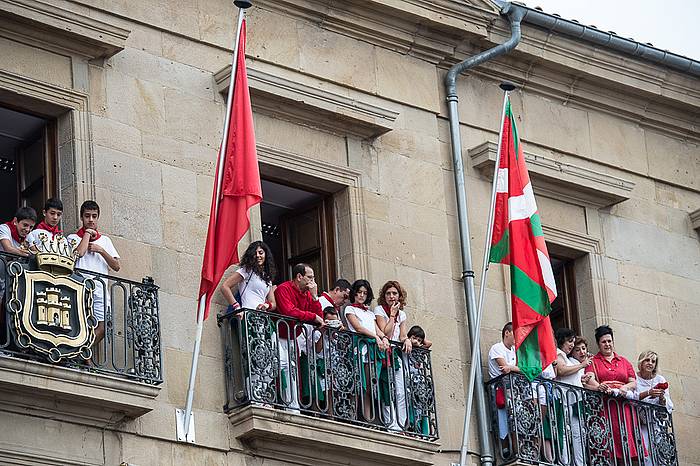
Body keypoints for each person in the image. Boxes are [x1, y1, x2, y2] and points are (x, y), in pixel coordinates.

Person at [68, 201, 120, 347]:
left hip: (99, 289)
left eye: (94, 216)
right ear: (81, 217)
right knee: (79, 324)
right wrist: (87, 234)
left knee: (103, 327)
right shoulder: (72, 238)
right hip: (79, 287)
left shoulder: (105, 240)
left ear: (98, 217)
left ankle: (83, 351)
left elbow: (116, 266)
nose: (91, 219)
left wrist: (101, 250)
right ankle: (84, 357)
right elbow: (79, 253)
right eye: (87, 216)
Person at [585, 325, 639, 461]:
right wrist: (600, 386)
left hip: (624, 406)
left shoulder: (624, 361)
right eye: (604, 342)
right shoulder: (594, 361)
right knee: (610, 440)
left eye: (609, 341)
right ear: (598, 344)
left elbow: (633, 382)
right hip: (606, 406)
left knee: (626, 437)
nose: (607, 344)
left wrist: (625, 388)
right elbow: (589, 378)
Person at [274, 263, 324, 410]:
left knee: (292, 370)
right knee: (278, 367)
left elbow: (319, 318)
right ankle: (273, 401)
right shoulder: (284, 289)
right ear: (299, 276)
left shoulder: (307, 294)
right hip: (277, 335)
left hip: (291, 337)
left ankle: (293, 406)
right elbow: (289, 312)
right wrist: (312, 316)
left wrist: (315, 298)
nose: (312, 281)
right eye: (310, 277)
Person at [345, 279, 389, 421]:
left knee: (370, 386)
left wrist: (384, 338)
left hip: (371, 351)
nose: (361, 295)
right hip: (360, 348)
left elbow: (378, 330)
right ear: (354, 293)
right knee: (359, 384)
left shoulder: (370, 314)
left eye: (364, 293)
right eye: (359, 292)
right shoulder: (349, 309)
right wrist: (376, 337)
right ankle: (354, 416)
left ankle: (368, 418)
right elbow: (358, 328)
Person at [374, 280, 411, 430]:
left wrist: (407, 339)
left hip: (395, 355)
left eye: (394, 293)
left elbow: (401, 335)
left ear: (399, 296)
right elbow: (385, 332)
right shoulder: (379, 310)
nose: (391, 296)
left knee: (401, 391)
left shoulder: (402, 314)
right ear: (384, 296)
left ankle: (400, 425)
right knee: (387, 390)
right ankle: (391, 424)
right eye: (388, 293)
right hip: (384, 353)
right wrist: (391, 315)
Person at [554, 328, 591, 466]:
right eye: (570, 341)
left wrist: (583, 379)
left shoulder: (570, 359)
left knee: (578, 434)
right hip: (564, 400)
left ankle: (580, 462)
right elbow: (561, 370)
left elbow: (572, 376)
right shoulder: (559, 354)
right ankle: (565, 461)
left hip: (575, 401)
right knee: (564, 432)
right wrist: (582, 365)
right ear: (562, 340)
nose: (571, 344)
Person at [634, 350, 673, 466]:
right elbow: (632, 399)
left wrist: (662, 399)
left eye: (653, 361)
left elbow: (668, 404)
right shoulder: (634, 378)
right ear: (641, 362)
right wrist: (648, 393)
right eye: (647, 360)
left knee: (660, 455)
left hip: (657, 424)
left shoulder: (660, 379)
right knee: (645, 455)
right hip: (641, 423)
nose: (650, 363)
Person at [220, 241, 276, 313]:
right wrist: (236, 306)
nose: (258, 255)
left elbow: (273, 303)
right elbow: (225, 287)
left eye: (260, 253)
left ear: (266, 255)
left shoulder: (267, 277)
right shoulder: (246, 270)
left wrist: (267, 305)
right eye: (254, 253)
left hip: (262, 318)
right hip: (247, 315)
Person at [488, 322, 519, 448]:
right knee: (503, 421)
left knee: (515, 421)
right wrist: (514, 368)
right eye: (515, 334)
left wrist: (511, 367)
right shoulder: (497, 348)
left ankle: (514, 448)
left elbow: (524, 368)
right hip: (500, 388)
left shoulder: (514, 351)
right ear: (507, 333)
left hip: (513, 389)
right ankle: (505, 447)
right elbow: (503, 367)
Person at [406, 325, 431, 435]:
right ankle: (411, 427)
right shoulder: (406, 347)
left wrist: (420, 340)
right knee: (411, 405)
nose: (416, 341)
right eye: (415, 338)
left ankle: (420, 431)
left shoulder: (419, 350)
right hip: (409, 381)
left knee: (420, 407)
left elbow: (429, 344)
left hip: (418, 382)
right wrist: (409, 339)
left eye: (419, 340)